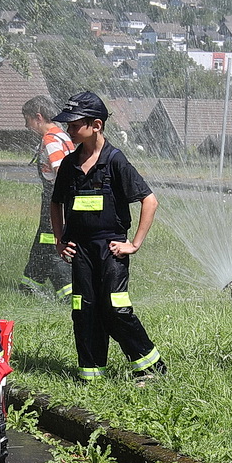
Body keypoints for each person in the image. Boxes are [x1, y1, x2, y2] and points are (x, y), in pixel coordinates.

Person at [49, 91, 165, 383]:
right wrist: (61, 241)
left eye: (75, 125)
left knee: (115, 307)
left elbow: (149, 200)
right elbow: (55, 204)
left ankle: (150, 367)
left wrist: (134, 244)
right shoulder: (69, 164)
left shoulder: (115, 161)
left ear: (96, 125)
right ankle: (91, 374)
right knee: (83, 310)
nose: (69, 130)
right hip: (81, 251)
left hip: (111, 249)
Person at [21, 96, 76, 299]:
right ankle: (29, 284)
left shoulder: (51, 140)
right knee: (43, 243)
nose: (26, 125)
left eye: (27, 119)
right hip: (59, 201)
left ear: (38, 117)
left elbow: (61, 173)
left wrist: (58, 207)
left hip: (56, 200)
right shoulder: (62, 135)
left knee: (52, 245)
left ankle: (69, 292)